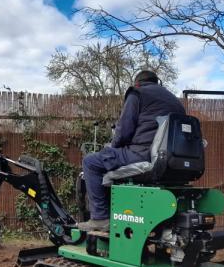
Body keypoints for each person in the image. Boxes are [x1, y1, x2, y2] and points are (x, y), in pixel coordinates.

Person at [78, 70, 186, 232]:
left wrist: (112, 147)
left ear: (137, 83)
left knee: (91, 162)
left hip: (143, 153)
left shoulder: (137, 93)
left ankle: (100, 218)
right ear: (157, 82)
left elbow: (124, 129)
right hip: (173, 160)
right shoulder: (175, 101)